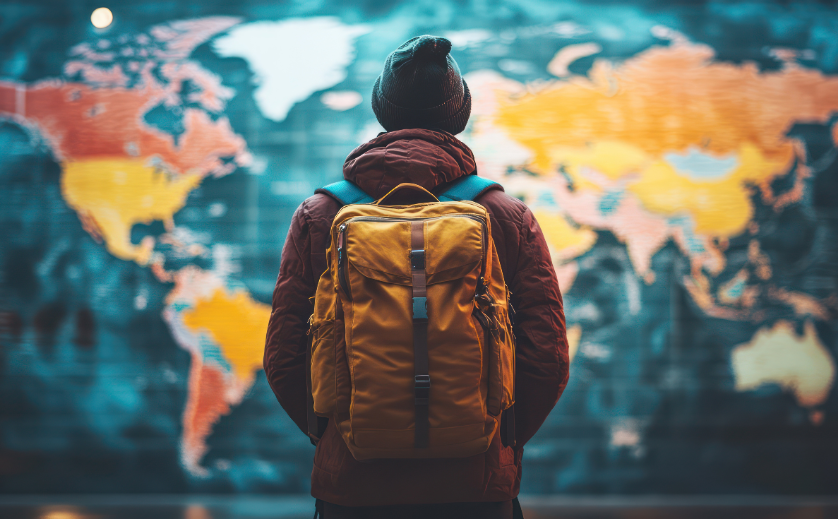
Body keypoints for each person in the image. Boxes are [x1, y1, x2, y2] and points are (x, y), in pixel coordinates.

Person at [264, 35, 569, 519]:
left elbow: (284, 357)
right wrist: (496, 440)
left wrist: (339, 432)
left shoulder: (321, 215)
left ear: (383, 112)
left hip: (354, 490)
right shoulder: (504, 216)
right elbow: (546, 357)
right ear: (459, 115)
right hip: (477, 488)